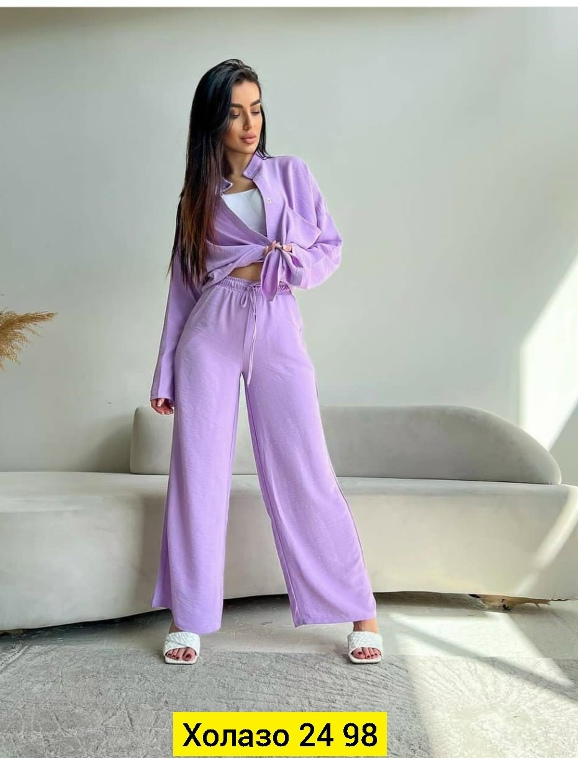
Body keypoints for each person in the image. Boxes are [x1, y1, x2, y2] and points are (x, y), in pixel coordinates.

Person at [149, 58, 383, 666]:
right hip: (211, 330)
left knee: (307, 465)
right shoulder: (196, 198)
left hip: (275, 319)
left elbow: (328, 246)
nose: (249, 124)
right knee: (198, 474)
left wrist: (292, 262)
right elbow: (182, 289)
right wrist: (165, 370)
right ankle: (188, 617)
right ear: (213, 121)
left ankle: (360, 610)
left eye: (255, 109)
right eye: (234, 113)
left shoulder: (290, 174)